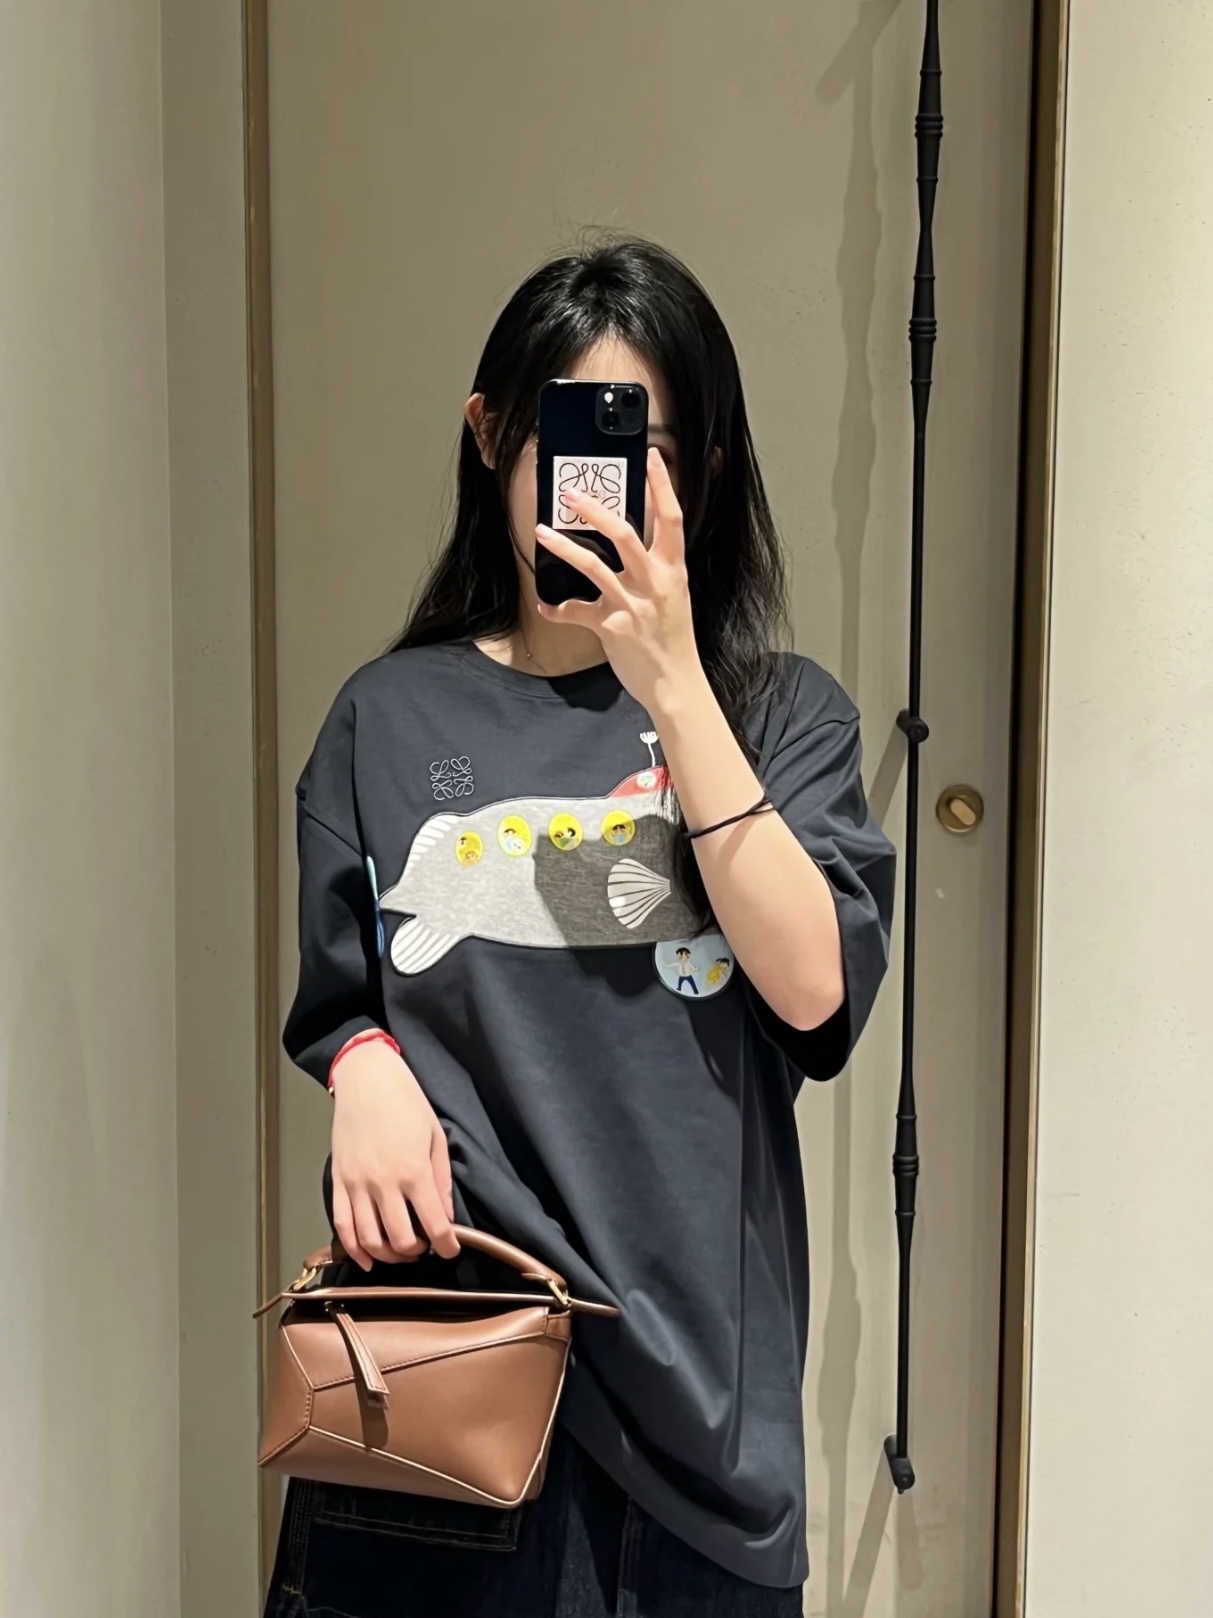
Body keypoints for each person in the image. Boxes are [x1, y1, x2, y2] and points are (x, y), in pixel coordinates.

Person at [264, 237, 896, 1618]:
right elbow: (342, 991)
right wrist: (361, 1063)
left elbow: (813, 992)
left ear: (703, 472)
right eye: (573, 438)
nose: (603, 482)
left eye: (645, 446)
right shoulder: (389, 717)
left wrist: (671, 684)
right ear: (493, 437)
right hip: (449, 1377)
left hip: (699, 1421)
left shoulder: (783, 719)